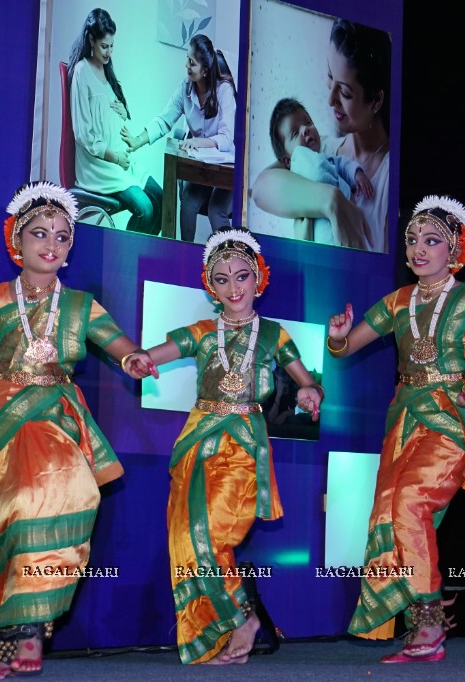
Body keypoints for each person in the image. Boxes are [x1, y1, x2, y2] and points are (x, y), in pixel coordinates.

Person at [0, 182, 145, 679]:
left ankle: (30, 642)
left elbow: (121, 347)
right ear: (17, 240)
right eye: (39, 234)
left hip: (53, 416)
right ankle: (11, 642)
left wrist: (135, 359)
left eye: (61, 236)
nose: (50, 245)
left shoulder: (81, 307)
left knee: (53, 499)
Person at [326, 196, 465, 662]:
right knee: (391, 513)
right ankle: (422, 626)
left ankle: (430, 623)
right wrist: (337, 337)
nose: (418, 249)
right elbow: (346, 347)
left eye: (431, 241)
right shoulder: (398, 302)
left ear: (455, 250)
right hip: (405, 420)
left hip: (453, 417)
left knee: (411, 502)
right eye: (412, 240)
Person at [122, 228, 324, 664]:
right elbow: (151, 356)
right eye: (222, 278)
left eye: (242, 276)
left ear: (259, 278)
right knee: (185, 538)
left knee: (211, 534)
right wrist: (137, 360)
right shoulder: (201, 331)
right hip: (200, 441)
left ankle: (242, 619)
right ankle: (227, 629)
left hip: (245, 443)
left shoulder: (273, 335)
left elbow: (305, 380)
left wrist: (310, 392)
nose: (234, 287)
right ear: (210, 287)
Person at [252, 18, 390, 251]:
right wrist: (331, 201)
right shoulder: (318, 150)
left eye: (344, 92)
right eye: (329, 76)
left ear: (376, 100)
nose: (330, 100)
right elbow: (260, 189)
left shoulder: (388, 175)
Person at [122, 34, 236, 240]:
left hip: (224, 168)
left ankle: (224, 263)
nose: (187, 66)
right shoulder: (185, 89)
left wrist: (198, 142)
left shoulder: (224, 91)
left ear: (206, 70)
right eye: (187, 60)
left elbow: (226, 139)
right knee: (189, 205)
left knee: (216, 211)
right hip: (199, 169)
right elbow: (164, 120)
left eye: (192, 63)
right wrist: (137, 141)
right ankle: (185, 259)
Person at [67, 8, 163, 235]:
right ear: (91, 39)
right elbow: (84, 134)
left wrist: (122, 111)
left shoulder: (105, 71)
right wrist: (115, 157)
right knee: (146, 210)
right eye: (104, 46)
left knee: (162, 198)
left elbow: (109, 115)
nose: (109, 52)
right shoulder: (82, 72)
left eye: (112, 46)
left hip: (122, 163)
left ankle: (138, 256)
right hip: (100, 167)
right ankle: (124, 259)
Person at [268, 97, 374, 245]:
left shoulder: (327, 159)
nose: (305, 130)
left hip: (343, 223)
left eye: (308, 123)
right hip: (319, 234)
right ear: (288, 161)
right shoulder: (294, 176)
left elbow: (343, 164)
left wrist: (357, 174)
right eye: (295, 133)